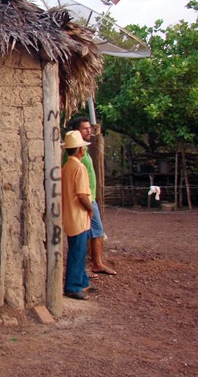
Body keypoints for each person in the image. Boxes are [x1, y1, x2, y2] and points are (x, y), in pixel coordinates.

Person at [70, 116, 118, 277]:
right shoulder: (77, 156)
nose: (88, 130)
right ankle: (86, 268)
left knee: (94, 233)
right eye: (85, 128)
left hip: (89, 198)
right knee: (86, 234)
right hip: (85, 199)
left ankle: (95, 264)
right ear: (77, 131)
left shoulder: (84, 151)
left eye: (89, 127)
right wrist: (88, 204)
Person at [61, 130, 94, 300]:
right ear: (80, 150)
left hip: (69, 215)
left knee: (78, 249)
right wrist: (90, 208)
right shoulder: (79, 168)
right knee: (78, 251)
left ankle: (82, 281)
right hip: (78, 216)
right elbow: (81, 194)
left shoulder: (66, 167)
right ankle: (73, 286)